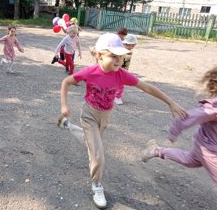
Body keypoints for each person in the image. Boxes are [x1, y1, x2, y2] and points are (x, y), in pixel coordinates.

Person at [57, 39, 187, 208]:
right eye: (113, 55)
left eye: (120, 56)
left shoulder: (121, 74)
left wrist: (170, 102)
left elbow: (146, 87)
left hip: (106, 116)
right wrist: (64, 105)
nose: (118, 60)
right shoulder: (90, 72)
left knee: (91, 144)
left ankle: (67, 125)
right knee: (98, 154)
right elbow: (66, 82)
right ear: (99, 55)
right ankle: (97, 184)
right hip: (89, 114)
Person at [141, 66, 217, 184]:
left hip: (205, 142)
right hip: (210, 149)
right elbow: (191, 116)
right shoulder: (213, 108)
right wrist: (174, 131)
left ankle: (156, 150)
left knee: (190, 160)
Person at [114, 34, 138, 105]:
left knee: (119, 84)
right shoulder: (120, 51)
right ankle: (117, 97)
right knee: (119, 84)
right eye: (132, 45)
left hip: (124, 71)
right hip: (118, 70)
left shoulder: (129, 51)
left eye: (134, 46)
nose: (133, 47)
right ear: (127, 43)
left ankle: (115, 95)